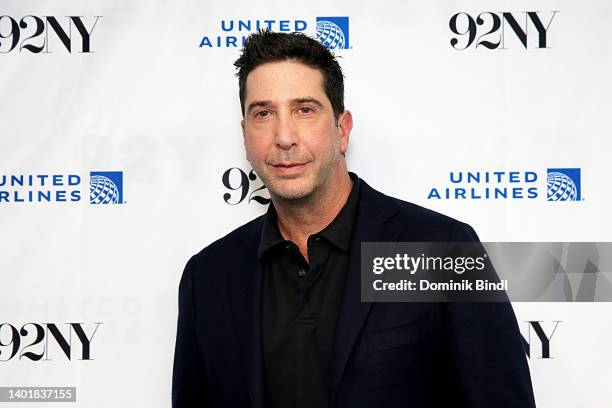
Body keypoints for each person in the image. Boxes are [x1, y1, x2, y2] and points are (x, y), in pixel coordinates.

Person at [172, 30, 536, 408]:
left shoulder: (438, 250)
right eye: (263, 113)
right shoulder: (209, 278)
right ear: (246, 135)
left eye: (304, 110)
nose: (284, 136)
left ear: (342, 130)